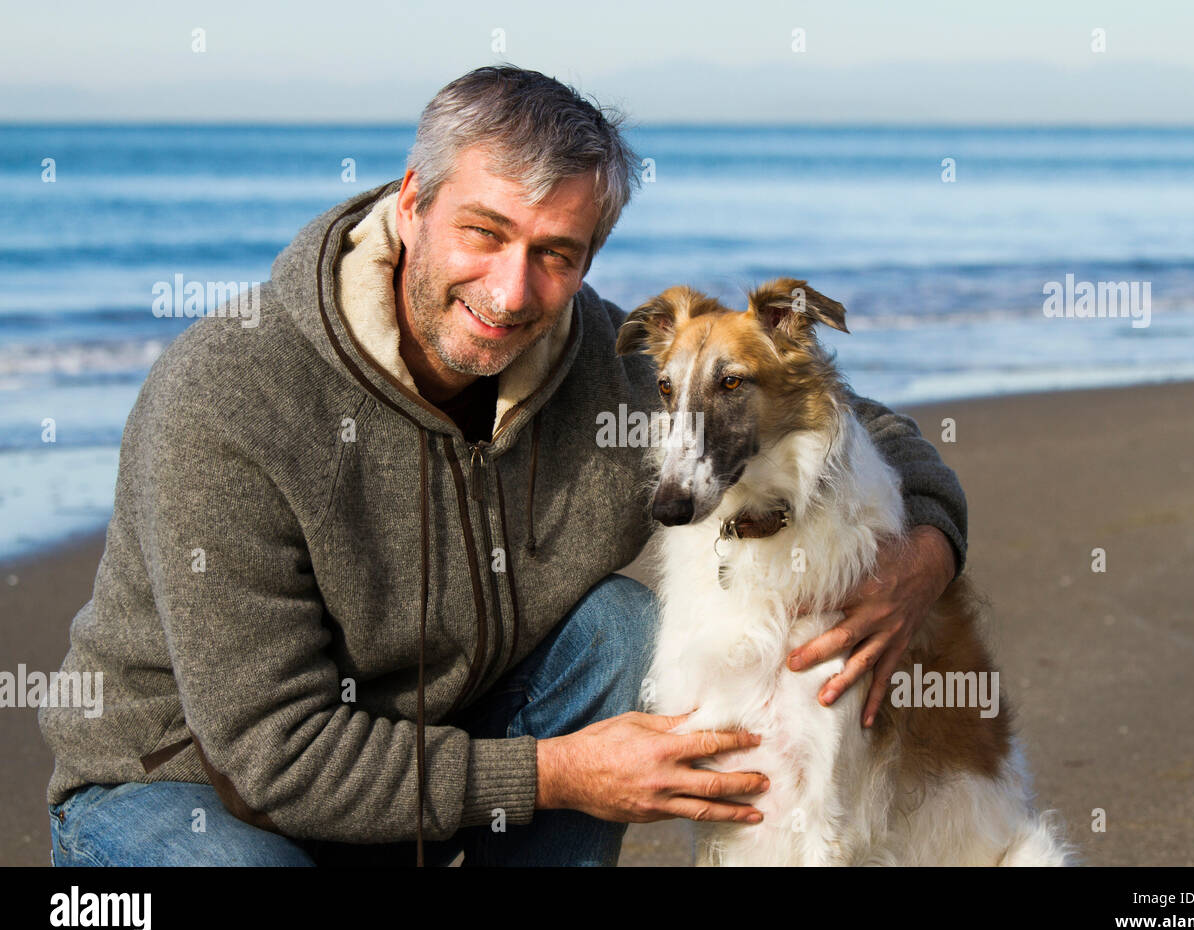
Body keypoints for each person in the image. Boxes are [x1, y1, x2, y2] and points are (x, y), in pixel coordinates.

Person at [39, 65, 967, 867]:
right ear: (412, 203)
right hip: (189, 788)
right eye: (484, 232)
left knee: (619, 629)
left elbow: (850, 420)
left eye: (556, 254)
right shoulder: (230, 398)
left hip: (436, 757)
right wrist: (560, 775)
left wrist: (923, 553)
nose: (511, 291)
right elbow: (272, 756)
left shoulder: (611, 361)